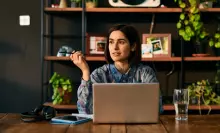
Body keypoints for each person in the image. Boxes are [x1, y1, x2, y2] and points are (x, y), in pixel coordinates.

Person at [70, 24, 163, 114]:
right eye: (111, 42)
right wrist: (85, 71)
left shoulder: (145, 73)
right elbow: (84, 111)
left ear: (133, 46)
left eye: (121, 42)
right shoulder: (99, 74)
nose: (115, 47)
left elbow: (156, 108)